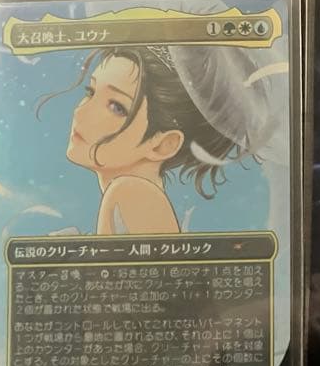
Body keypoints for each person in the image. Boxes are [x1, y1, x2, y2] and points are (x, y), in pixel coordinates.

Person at [39, 45, 242, 235]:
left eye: (117, 107)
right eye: (91, 92)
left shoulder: (131, 192)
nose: (80, 111)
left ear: (163, 144)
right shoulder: (136, 196)